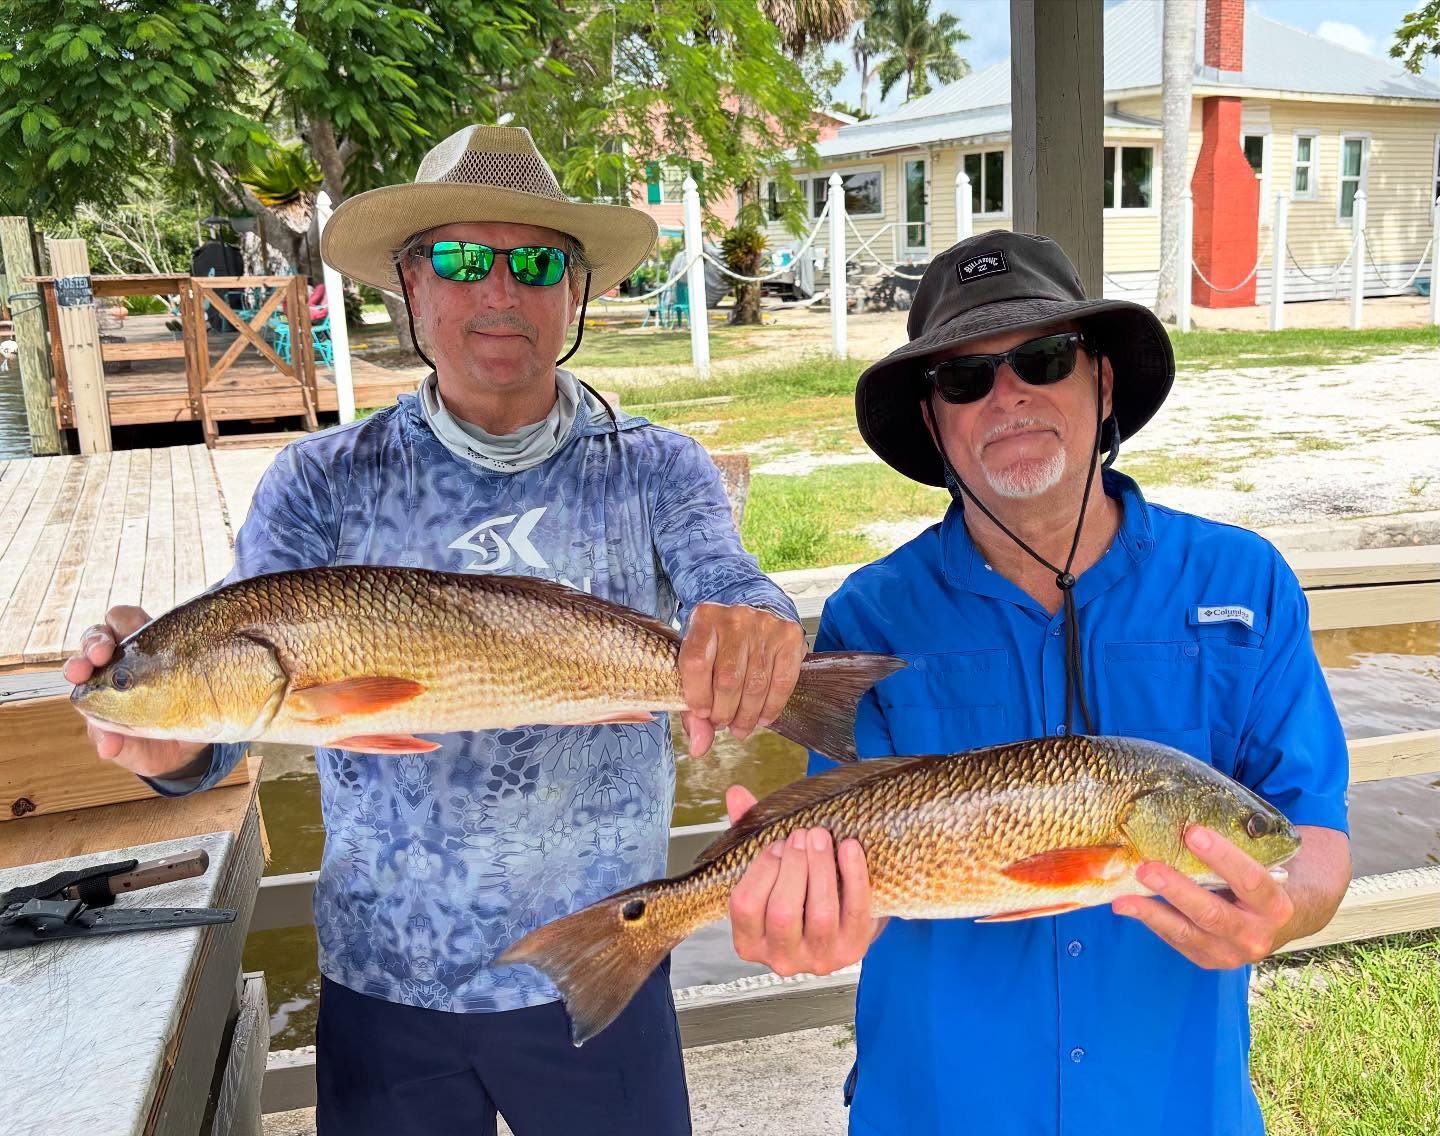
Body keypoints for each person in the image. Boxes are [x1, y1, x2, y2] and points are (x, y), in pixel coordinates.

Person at [64, 125, 810, 1136]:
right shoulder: (318, 481)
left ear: (575, 292)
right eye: (463, 259)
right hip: (386, 980)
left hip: (605, 953)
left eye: (537, 261)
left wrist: (761, 623)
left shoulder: (657, 469)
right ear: (409, 285)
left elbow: (730, 582)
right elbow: (240, 709)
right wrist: (174, 743)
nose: (501, 289)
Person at [723, 230, 1352, 1134]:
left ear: (1102, 383)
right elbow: (842, 846)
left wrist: (1286, 908)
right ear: (935, 421)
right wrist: (806, 913)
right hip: (937, 1105)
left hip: (1175, 1105)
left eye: (1044, 359)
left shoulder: (1242, 584)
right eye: (964, 379)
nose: (1007, 396)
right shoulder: (871, 616)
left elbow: (1312, 832)